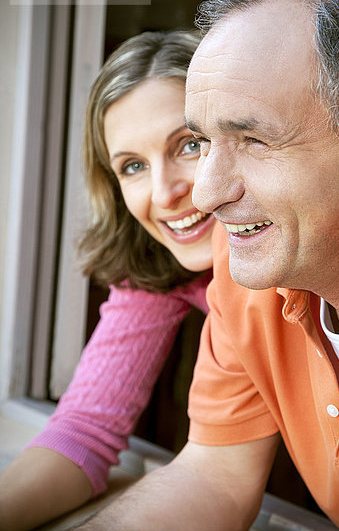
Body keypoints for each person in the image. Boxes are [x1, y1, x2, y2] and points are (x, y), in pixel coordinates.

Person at [72, 0, 339, 531]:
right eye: (205, 140)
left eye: (252, 140)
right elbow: (213, 475)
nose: (203, 194)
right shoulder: (250, 270)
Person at [0, 30, 215, 531]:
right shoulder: (158, 269)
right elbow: (85, 431)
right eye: (133, 166)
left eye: (189, 144)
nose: (164, 193)